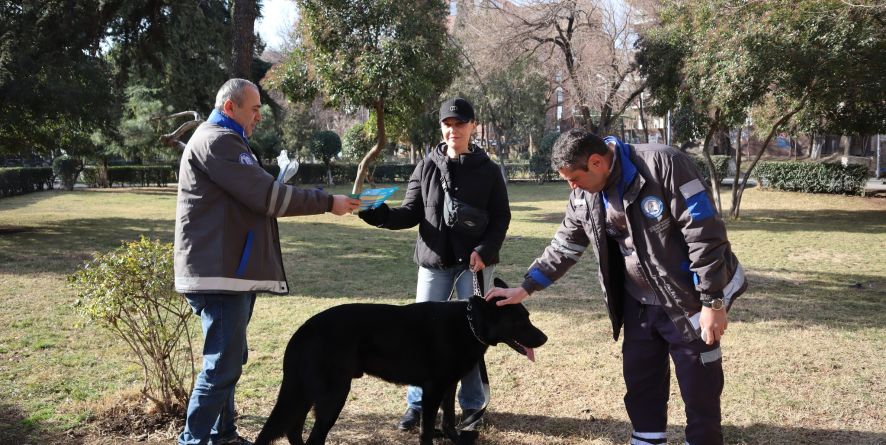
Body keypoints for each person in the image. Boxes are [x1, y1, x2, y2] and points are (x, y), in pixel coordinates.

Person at [486, 130, 747, 445]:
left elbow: (705, 233)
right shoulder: (584, 194)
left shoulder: (665, 164)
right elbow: (565, 244)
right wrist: (525, 288)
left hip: (688, 301)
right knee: (642, 384)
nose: (572, 187)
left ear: (596, 162)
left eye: (574, 179)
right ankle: (648, 439)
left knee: (700, 388)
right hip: (637, 304)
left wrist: (712, 302)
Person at [174, 78, 360, 445]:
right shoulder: (218, 141)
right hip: (220, 276)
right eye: (254, 109)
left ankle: (222, 434)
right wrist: (326, 202)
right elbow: (267, 197)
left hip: (228, 274)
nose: (259, 116)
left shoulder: (226, 140)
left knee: (228, 363)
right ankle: (193, 441)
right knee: (221, 367)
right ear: (230, 108)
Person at [357, 97, 511, 432]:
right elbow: (410, 211)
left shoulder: (489, 170)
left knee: (472, 337)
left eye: (460, 123)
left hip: (474, 265)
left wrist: (486, 249)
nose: (453, 130)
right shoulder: (427, 165)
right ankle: (417, 404)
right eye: (448, 124)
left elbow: (501, 218)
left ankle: (471, 406)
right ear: (441, 127)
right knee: (420, 338)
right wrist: (380, 215)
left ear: (473, 126)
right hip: (434, 262)